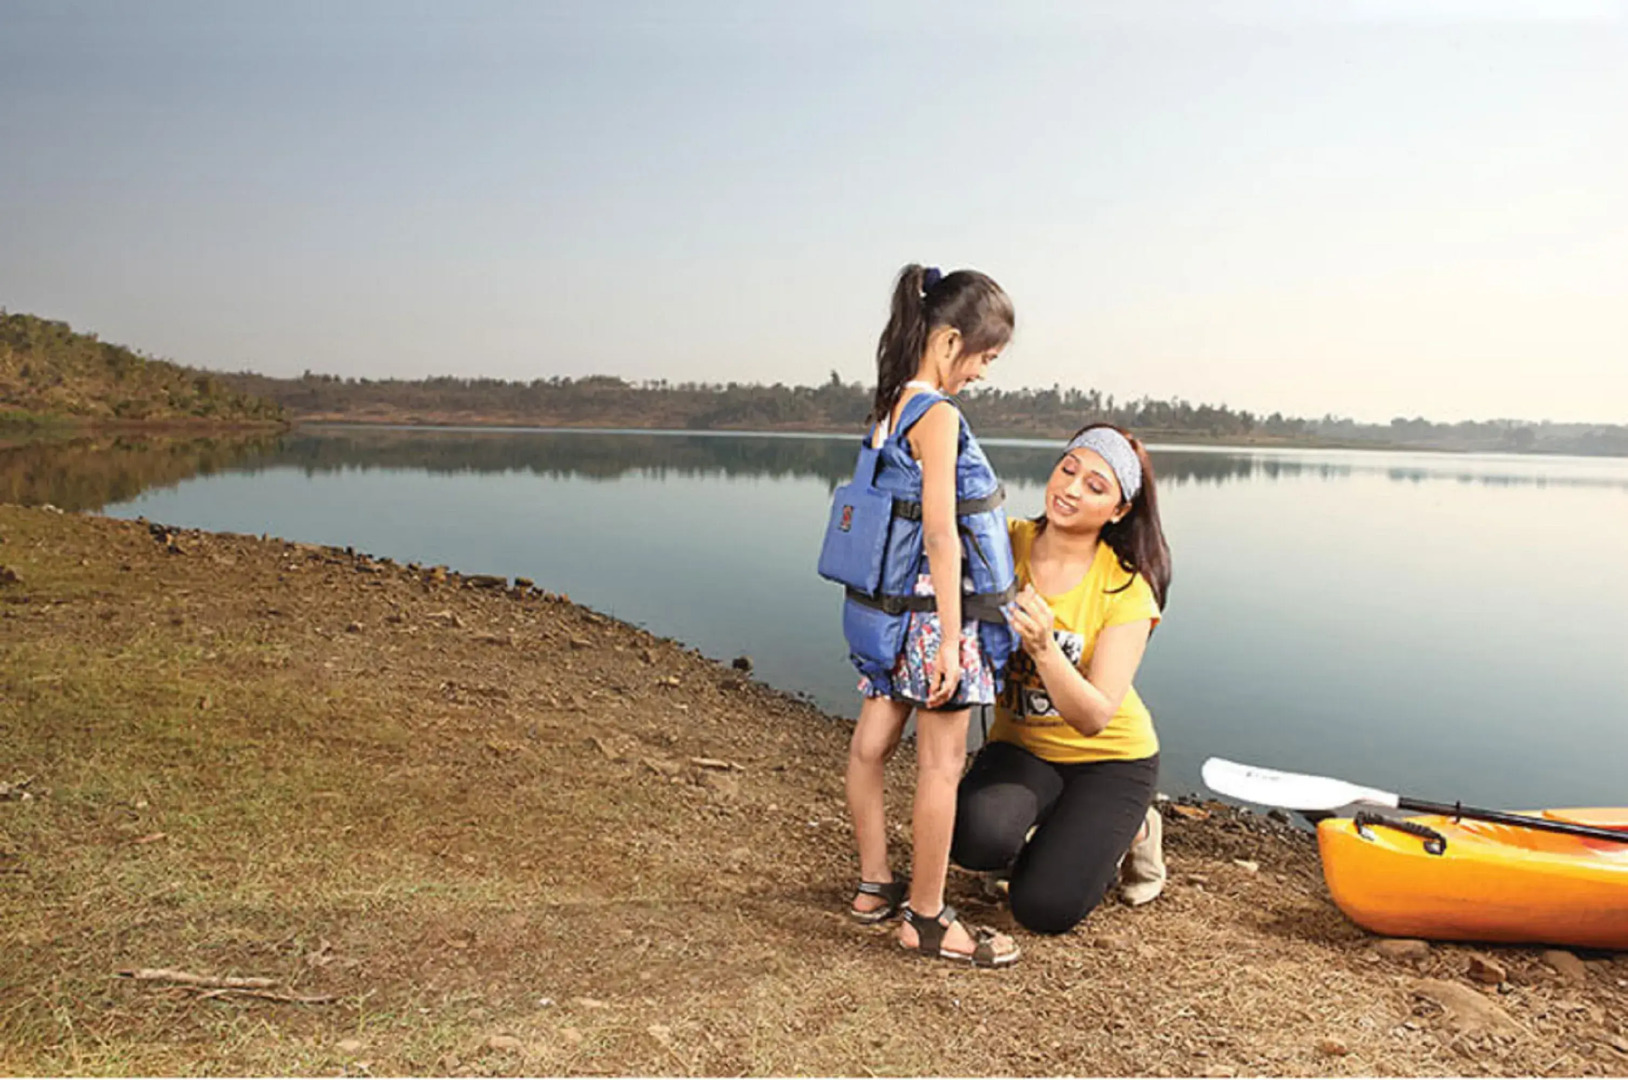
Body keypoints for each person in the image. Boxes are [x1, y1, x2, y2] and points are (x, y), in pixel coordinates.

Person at [838, 263, 1022, 967]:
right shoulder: (938, 416)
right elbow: (943, 534)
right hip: (931, 618)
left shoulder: (888, 409)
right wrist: (951, 640)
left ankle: (873, 886)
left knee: (870, 746)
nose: (981, 374)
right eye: (985, 358)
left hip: (885, 615)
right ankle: (927, 918)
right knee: (942, 765)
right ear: (949, 344)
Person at [951, 422, 1172, 935]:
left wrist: (1045, 649)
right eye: (1067, 470)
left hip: (1111, 761)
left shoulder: (1126, 591)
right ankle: (1060, 830)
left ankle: (1136, 829)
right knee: (973, 840)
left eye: (1095, 486)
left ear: (1118, 510)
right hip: (1023, 750)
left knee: (1043, 910)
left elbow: (1095, 715)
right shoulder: (1006, 543)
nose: (1070, 488)